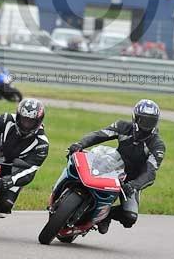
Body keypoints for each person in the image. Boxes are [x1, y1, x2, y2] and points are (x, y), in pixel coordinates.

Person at [67, 99, 165, 233]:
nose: (147, 126)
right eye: (144, 120)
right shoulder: (122, 126)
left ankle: (106, 216)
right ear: (135, 118)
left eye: (151, 121)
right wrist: (80, 144)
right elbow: (99, 135)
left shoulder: (157, 145)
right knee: (82, 170)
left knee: (130, 217)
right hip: (112, 166)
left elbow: (150, 172)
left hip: (131, 181)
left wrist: (134, 185)